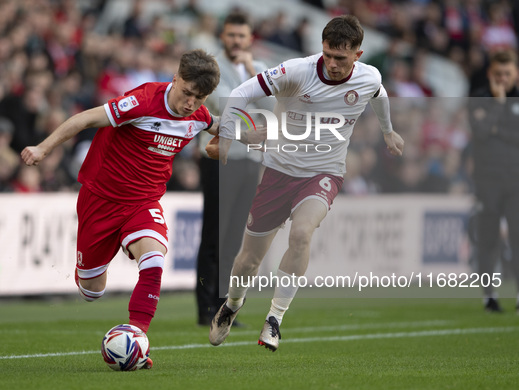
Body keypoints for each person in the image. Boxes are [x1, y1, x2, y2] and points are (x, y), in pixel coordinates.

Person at [207, 15, 404, 351]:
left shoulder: (369, 77)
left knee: (301, 234)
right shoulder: (296, 71)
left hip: (324, 173)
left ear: (358, 55)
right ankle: (233, 305)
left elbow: (379, 94)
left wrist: (387, 130)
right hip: (278, 171)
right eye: (327, 54)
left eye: (341, 58)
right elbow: (241, 92)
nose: (332, 63)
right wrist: (227, 133)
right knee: (248, 260)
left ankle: (274, 319)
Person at [22, 49, 220, 368]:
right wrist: (42, 148)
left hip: (143, 202)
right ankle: (90, 271)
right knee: (92, 290)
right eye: (187, 93)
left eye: (199, 98)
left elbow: (221, 126)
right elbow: (84, 118)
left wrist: (253, 137)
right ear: (175, 78)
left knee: (155, 259)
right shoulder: (142, 101)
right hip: (100, 199)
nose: (190, 104)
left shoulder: (198, 116)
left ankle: (137, 337)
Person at [195, 12, 271, 326]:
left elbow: (273, 110)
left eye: (241, 36)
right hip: (219, 158)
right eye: (231, 35)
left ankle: (223, 306)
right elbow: (224, 106)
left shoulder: (261, 70)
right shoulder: (212, 69)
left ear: (250, 38)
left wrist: (253, 74)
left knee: (234, 239)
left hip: (250, 160)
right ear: (222, 37)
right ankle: (205, 307)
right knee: (214, 233)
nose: (236, 41)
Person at [469, 49, 519, 313]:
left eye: (507, 73)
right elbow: (480, 131)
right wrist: (499, 107)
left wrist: (497, 129)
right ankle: (489, 296)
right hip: (487, 182)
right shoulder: (478, 99)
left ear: (516, 73)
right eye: (497, 74)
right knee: (487, 242)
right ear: (490, 73)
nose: (502, 79)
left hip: (516, 183)